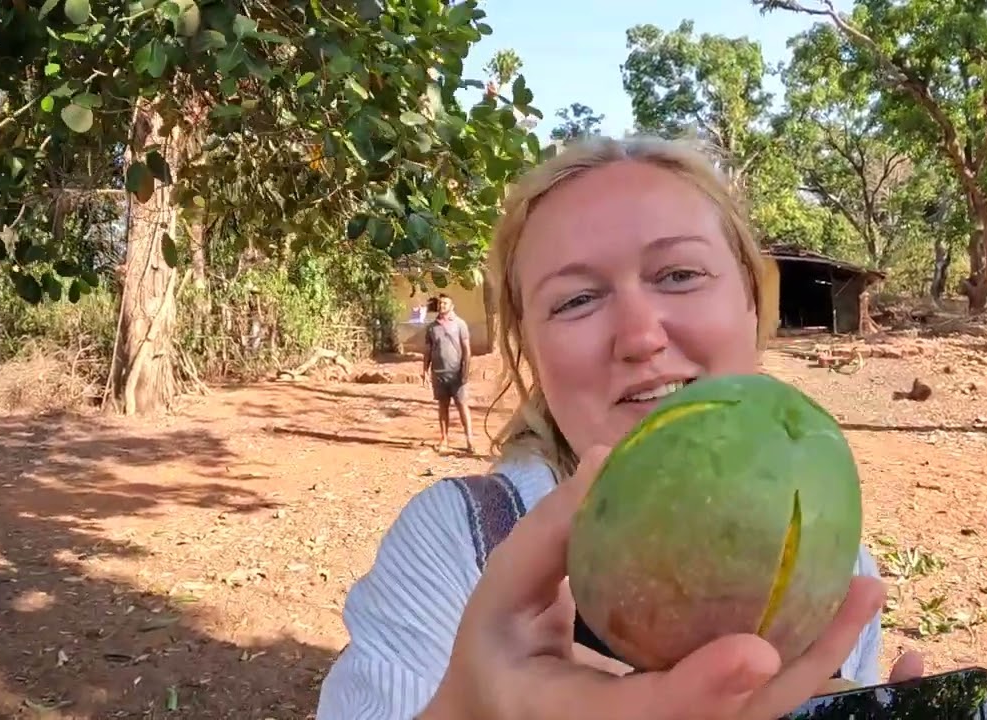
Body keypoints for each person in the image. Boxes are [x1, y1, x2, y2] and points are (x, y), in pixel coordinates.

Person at [316, 136, 924, 720]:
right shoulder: (458, 547)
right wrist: (463, 712)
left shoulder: (837, 568)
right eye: (576, 300)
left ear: (750, 301)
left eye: (680, 274)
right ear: (529, 348)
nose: (639, 336)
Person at [422, 293, 474, 452]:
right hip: (439, 373)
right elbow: (428, 351)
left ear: (452, 306)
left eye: (445, 303)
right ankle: (444, 439)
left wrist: (465, 370)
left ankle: (469, 440)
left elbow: (467, 350)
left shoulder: (460, 324)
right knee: (442, 406)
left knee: (462, 405)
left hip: (457, 373)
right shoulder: (431, 327)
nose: (442, 305)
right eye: (440, 303)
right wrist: (424, 370)